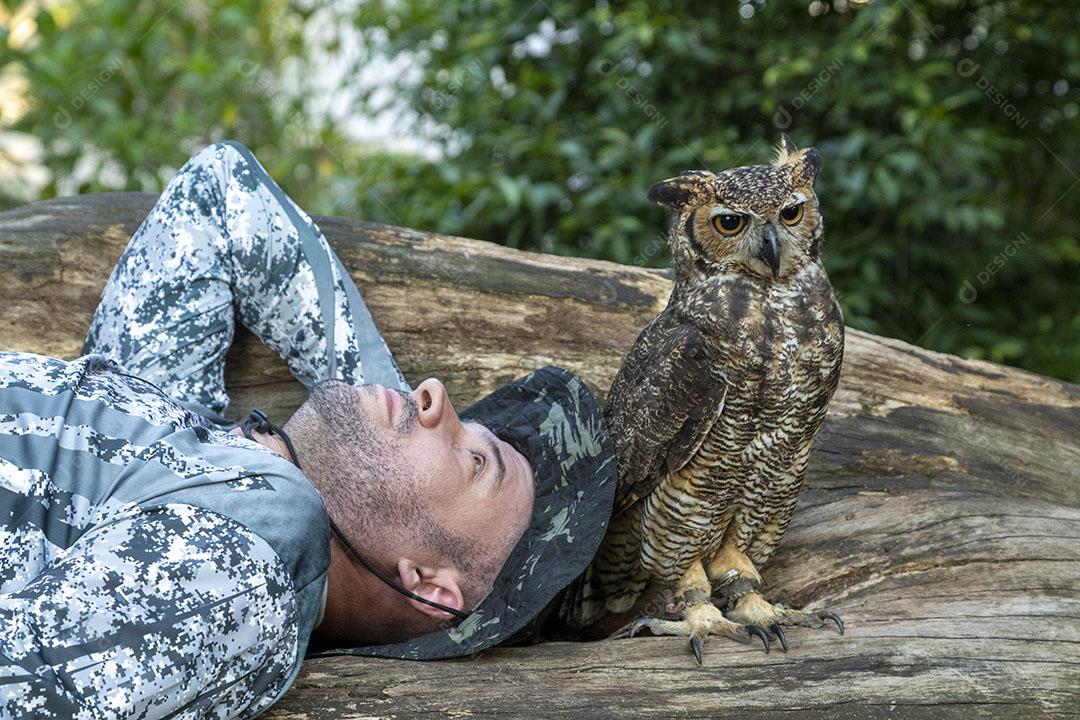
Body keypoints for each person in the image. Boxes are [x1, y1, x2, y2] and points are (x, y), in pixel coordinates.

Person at [0, 141, 616, 718]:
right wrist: (381, 418)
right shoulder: (188, 435)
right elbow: (221, 192)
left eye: (476, 460)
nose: (434, 395)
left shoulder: (250, 570)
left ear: (428, 584)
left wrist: (383, 444)